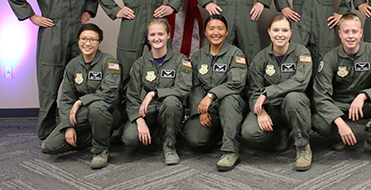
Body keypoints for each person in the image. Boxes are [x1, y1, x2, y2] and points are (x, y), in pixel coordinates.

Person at [5, 0, 98, 140]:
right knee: (49, 87)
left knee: (82, 85)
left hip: (78, 37)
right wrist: (32, 16)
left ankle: (82, 129)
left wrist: (88, 10)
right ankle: (47, 134)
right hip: (52, 35)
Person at [312, 13, 371, 161]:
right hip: (340, 105)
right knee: (318, 122)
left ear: (361, 33)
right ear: (339, 34)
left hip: (364, 103)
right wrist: (339, 121)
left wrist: (364, 95)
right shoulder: (330, 58)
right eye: (346, 32)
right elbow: (321, 95)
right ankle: (339, 136)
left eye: (354, 31)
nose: (350, 36)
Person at [43, 24, 123, 169]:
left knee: (96, 107)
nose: (87, 43)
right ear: (78, 40)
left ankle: (100, 151)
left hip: (109, 111)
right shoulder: (73, 66)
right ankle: (102, 134)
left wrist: (80, 101)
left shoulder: (109, 62)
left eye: (93, 40)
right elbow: (66, 98)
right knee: (51, 146)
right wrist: (68, 125)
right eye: (84, 39)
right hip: (84, 114)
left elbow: (110, 93)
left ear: (99, 42)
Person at [241, 15, 313, 171]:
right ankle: (280, 132)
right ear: (269, 32)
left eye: (285, 30)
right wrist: (261, 112)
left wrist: (268, 92)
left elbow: (301, 81)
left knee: (293, 97)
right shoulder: (261, 58)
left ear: (291, 33)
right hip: (271, 109)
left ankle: (302, 146)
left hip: (293, 106)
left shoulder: (302, 53)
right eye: (276, 30)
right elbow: (254, 90)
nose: (280, 34)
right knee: (249, 132)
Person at [122, 19, 192, 165]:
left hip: (171, 109)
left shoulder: (181, 60)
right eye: (152, 34)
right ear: (147, 37)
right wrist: (139, 120)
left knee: (171, 101)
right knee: (130, 138)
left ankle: (170, 147)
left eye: (160, 34)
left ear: (168, 35)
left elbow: (184, 88)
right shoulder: (140, 63)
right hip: (149, 110)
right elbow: (132, 96)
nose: (156, 38)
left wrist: (154, 93)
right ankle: (161, 134)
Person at [183, 14, 247, 171]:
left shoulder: (235, 54)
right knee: (195, 140)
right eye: (211, 29)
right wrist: (201, 110)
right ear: (205, 32)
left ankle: (230, 151)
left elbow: (236, 83)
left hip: (230, 105)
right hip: (207, 107)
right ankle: (220, 132)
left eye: (220, 28)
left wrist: (211, 95)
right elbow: (194, 85)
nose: (216, 32)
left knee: (229, 99)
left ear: (226, 32)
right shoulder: (198, 56)